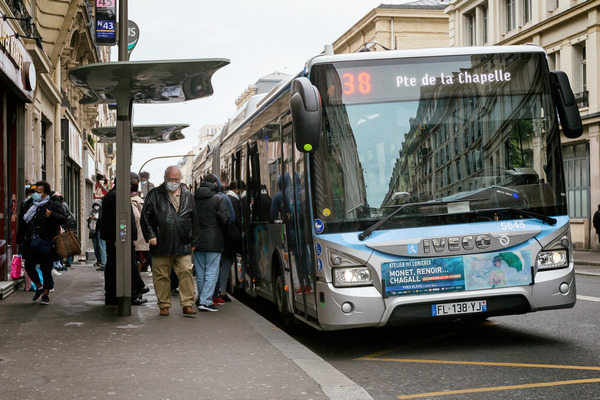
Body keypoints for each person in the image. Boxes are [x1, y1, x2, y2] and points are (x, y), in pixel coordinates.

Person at [141, 166, 198, 316]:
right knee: (161, 275)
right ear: (165, 179)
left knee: (186, 272)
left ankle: (187, 304)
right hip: (161, 242)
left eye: (177, 180)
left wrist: (194, 241)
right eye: (171, 180)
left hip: (182, 242)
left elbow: (194, 219)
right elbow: (145, 217)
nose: (174, 182)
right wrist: (151, 235)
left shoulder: (187, 195)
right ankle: (164, 305)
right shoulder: (154, 194)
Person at [97, 173, 149, 306]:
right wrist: (120, 238)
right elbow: (119, 218)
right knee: (126, 266)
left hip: (116, 238)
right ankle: (133, 292)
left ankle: (115, 295)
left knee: (116, 267)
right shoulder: (118, 196)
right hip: (119, 239)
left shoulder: (112, 195)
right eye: (133, 182)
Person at [16, 181, 67, 305]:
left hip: (46, 241)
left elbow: (63, 219)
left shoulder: (53, 204)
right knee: (28, 266)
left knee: (46, 268)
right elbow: (22, 223)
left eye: (38, 192)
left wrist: (52, 215)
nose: (35, 194)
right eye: (34, 192)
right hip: (30, 241)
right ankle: (39, 286)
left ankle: (46, 293)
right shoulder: (28, 204)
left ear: (45, 193)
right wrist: (19, 240)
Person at [193, 174, 230, 312]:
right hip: (214, 240)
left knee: (201, 273)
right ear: (215, 184)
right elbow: (225, 220)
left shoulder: (193, 199)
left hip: (196, 241)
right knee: (212, 272)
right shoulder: (219, 199)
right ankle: (206, 301)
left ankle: (202, 298)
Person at [214, 181, 242, 303]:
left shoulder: (202, 199)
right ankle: (222, 291)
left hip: (212, 238)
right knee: (225, 264)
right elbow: (233, 219)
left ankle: (211, 293)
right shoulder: (231, 200)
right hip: (227, 238)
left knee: (212, 267)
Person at [52, 192, 77, 268]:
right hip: (63, 226)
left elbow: (65, 215)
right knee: (66, 243)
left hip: (63, 227)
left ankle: (63, 262)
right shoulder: (62, 204)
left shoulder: (61, 205)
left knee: (64, 243)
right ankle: (63, 262)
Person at [87, 200, 107, 271]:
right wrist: (90, 218)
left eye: (97, 205)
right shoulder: (92, 212)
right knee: (96, 247)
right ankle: (99, 261)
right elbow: (88, 221)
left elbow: (101, 220)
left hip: (99, 230)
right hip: (93, 231)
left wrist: (95, 218)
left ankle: (104, 263)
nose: (96, 206)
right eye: (95, 205)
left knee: (101, 246)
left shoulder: (102, 212)